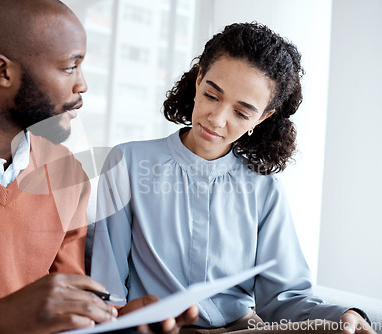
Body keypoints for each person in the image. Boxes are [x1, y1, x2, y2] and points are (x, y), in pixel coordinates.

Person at [0, 0, 197, 333]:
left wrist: (120, 322)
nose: (82, 85)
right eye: (69, 67)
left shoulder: (67, 175)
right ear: (3, 72)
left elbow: (66, 312)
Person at [90, 22, 375, 334]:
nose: (217, 119)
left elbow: (283, 298)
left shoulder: (264, 190)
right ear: (198, 80)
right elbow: (108, 285)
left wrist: (343, 315)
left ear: (263, 117)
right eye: (212, 95)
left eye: (242, 113)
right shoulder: (127, 163)